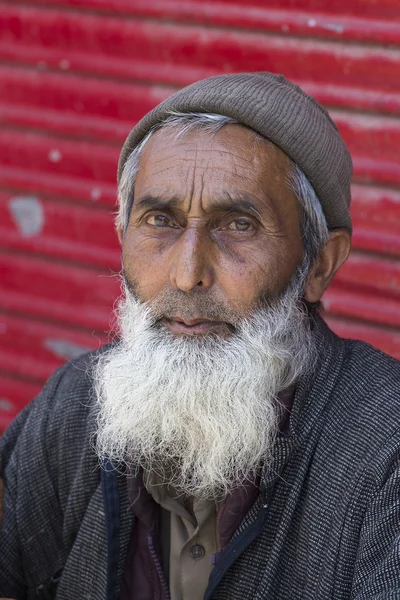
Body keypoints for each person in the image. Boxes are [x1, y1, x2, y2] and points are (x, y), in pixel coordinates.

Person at [1, 72, 399, 600]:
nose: (187, 275)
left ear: (319, 265)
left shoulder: (384, 451)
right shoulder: (75, 406)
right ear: (122, 238)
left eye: (238, 225)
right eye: (159, 221)